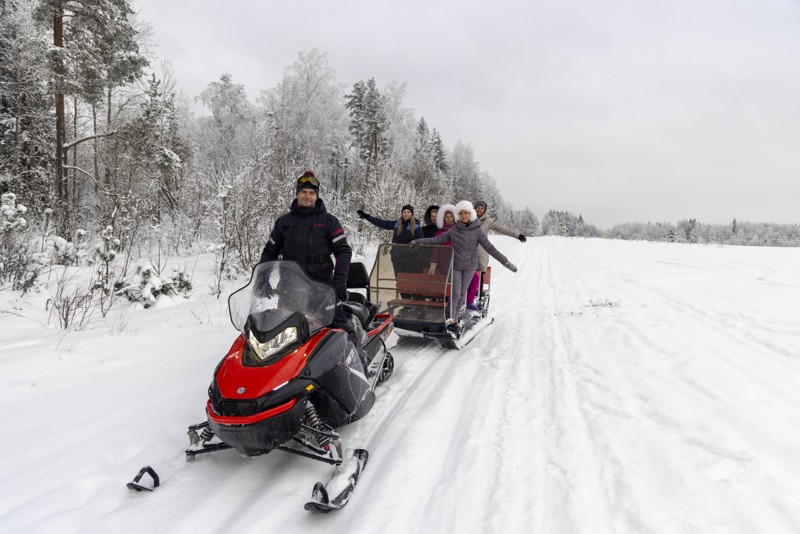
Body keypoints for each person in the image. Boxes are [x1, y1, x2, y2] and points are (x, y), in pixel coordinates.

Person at [259, 171, 368, 373]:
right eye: (303, 192)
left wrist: (339, 282)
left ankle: (361, 367)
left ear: (317, 195)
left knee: (341, 326)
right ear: (297, 194)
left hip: (322, 287)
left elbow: (343, 251)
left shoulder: (329, 221)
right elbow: (269, 251)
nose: (307, 196)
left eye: (311, 192)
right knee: (282, 331)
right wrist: (262, 279)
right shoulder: (284, 222)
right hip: (289, 288)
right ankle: (283, 373)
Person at [411, 200, 517, 330]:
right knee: (456, 293)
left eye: (466, 213)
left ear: (470, 214)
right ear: (458, 215)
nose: (464, 216)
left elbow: (490, 248)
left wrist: (506, 262)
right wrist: (418, 241)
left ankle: (453, 320)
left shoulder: (477, 231)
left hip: (470, 266)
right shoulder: (453, 231)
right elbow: (437, 240)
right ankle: (452, 321)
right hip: (455, 264)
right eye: (461, 213)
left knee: (461, 294)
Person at [466, 200, 528, 310]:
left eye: (482, 208)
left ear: (484, 210)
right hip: (468, 251)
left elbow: (502, 229)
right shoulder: (468, 218)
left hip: (482, 251)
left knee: (478, 272)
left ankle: (477, 296)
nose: (479, 210)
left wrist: (517, 235)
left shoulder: (488, 221)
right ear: (474, 208)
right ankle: (466, 295)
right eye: (478, 208)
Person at [357, 204, 421, 276]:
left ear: (411, 214)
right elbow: (381, 223)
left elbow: (420, 242)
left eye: (408, 212)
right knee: (398, 279)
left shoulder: (416, 227)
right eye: (404, 212)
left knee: (407, 279)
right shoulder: (397, 224)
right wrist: (367, 217)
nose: (406, 214)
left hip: (410, 258)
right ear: (402, 213)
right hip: (397, 257)